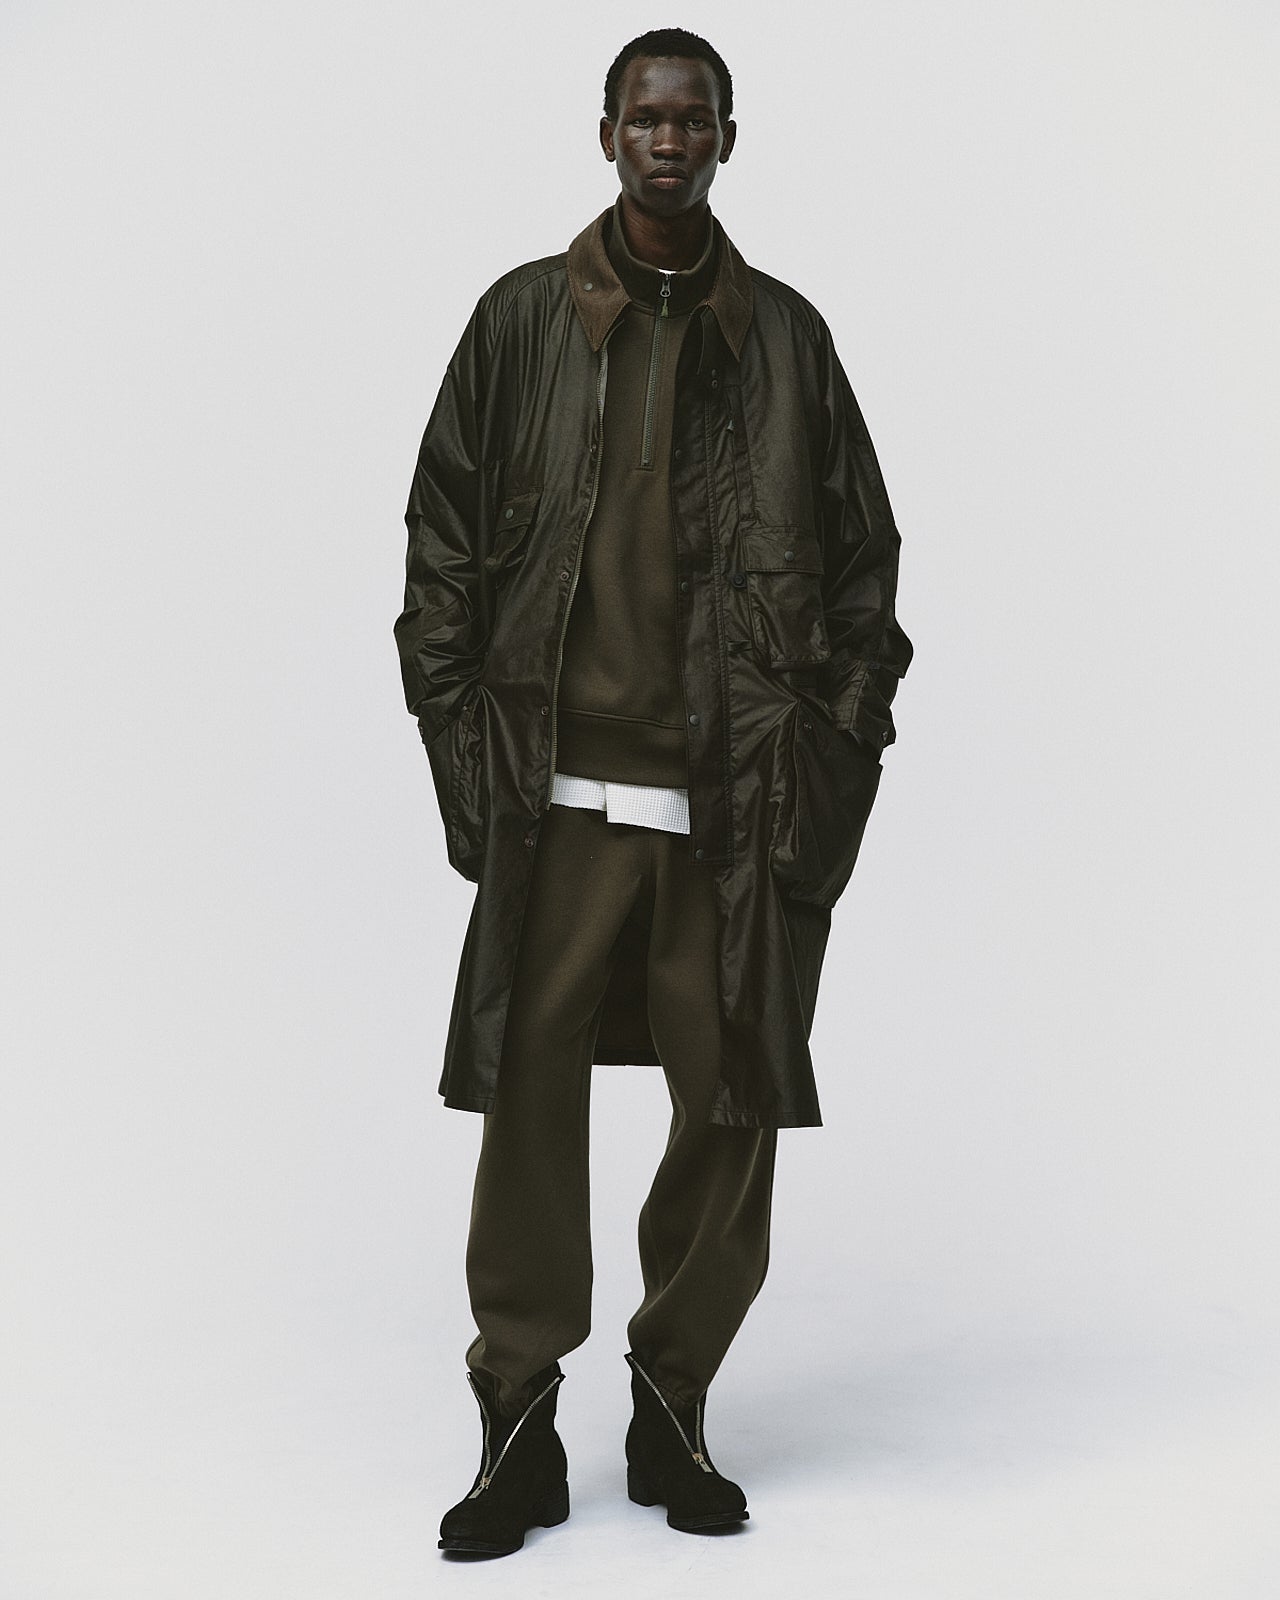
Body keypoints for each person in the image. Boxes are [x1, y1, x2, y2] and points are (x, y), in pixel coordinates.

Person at [394, 26, 913, 1557]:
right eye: (646, 116)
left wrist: (833, 757)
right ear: (608, 132)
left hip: (734, 802)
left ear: (728, 139)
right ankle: (517, 1412)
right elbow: (440, 547)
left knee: (731, 1099)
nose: (669, 139)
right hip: (555, 795)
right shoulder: (520, 322)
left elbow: (867, 574)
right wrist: (463, 748)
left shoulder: (787, 342)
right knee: (527, 1095)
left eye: (695, 119)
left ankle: (672, 1393)